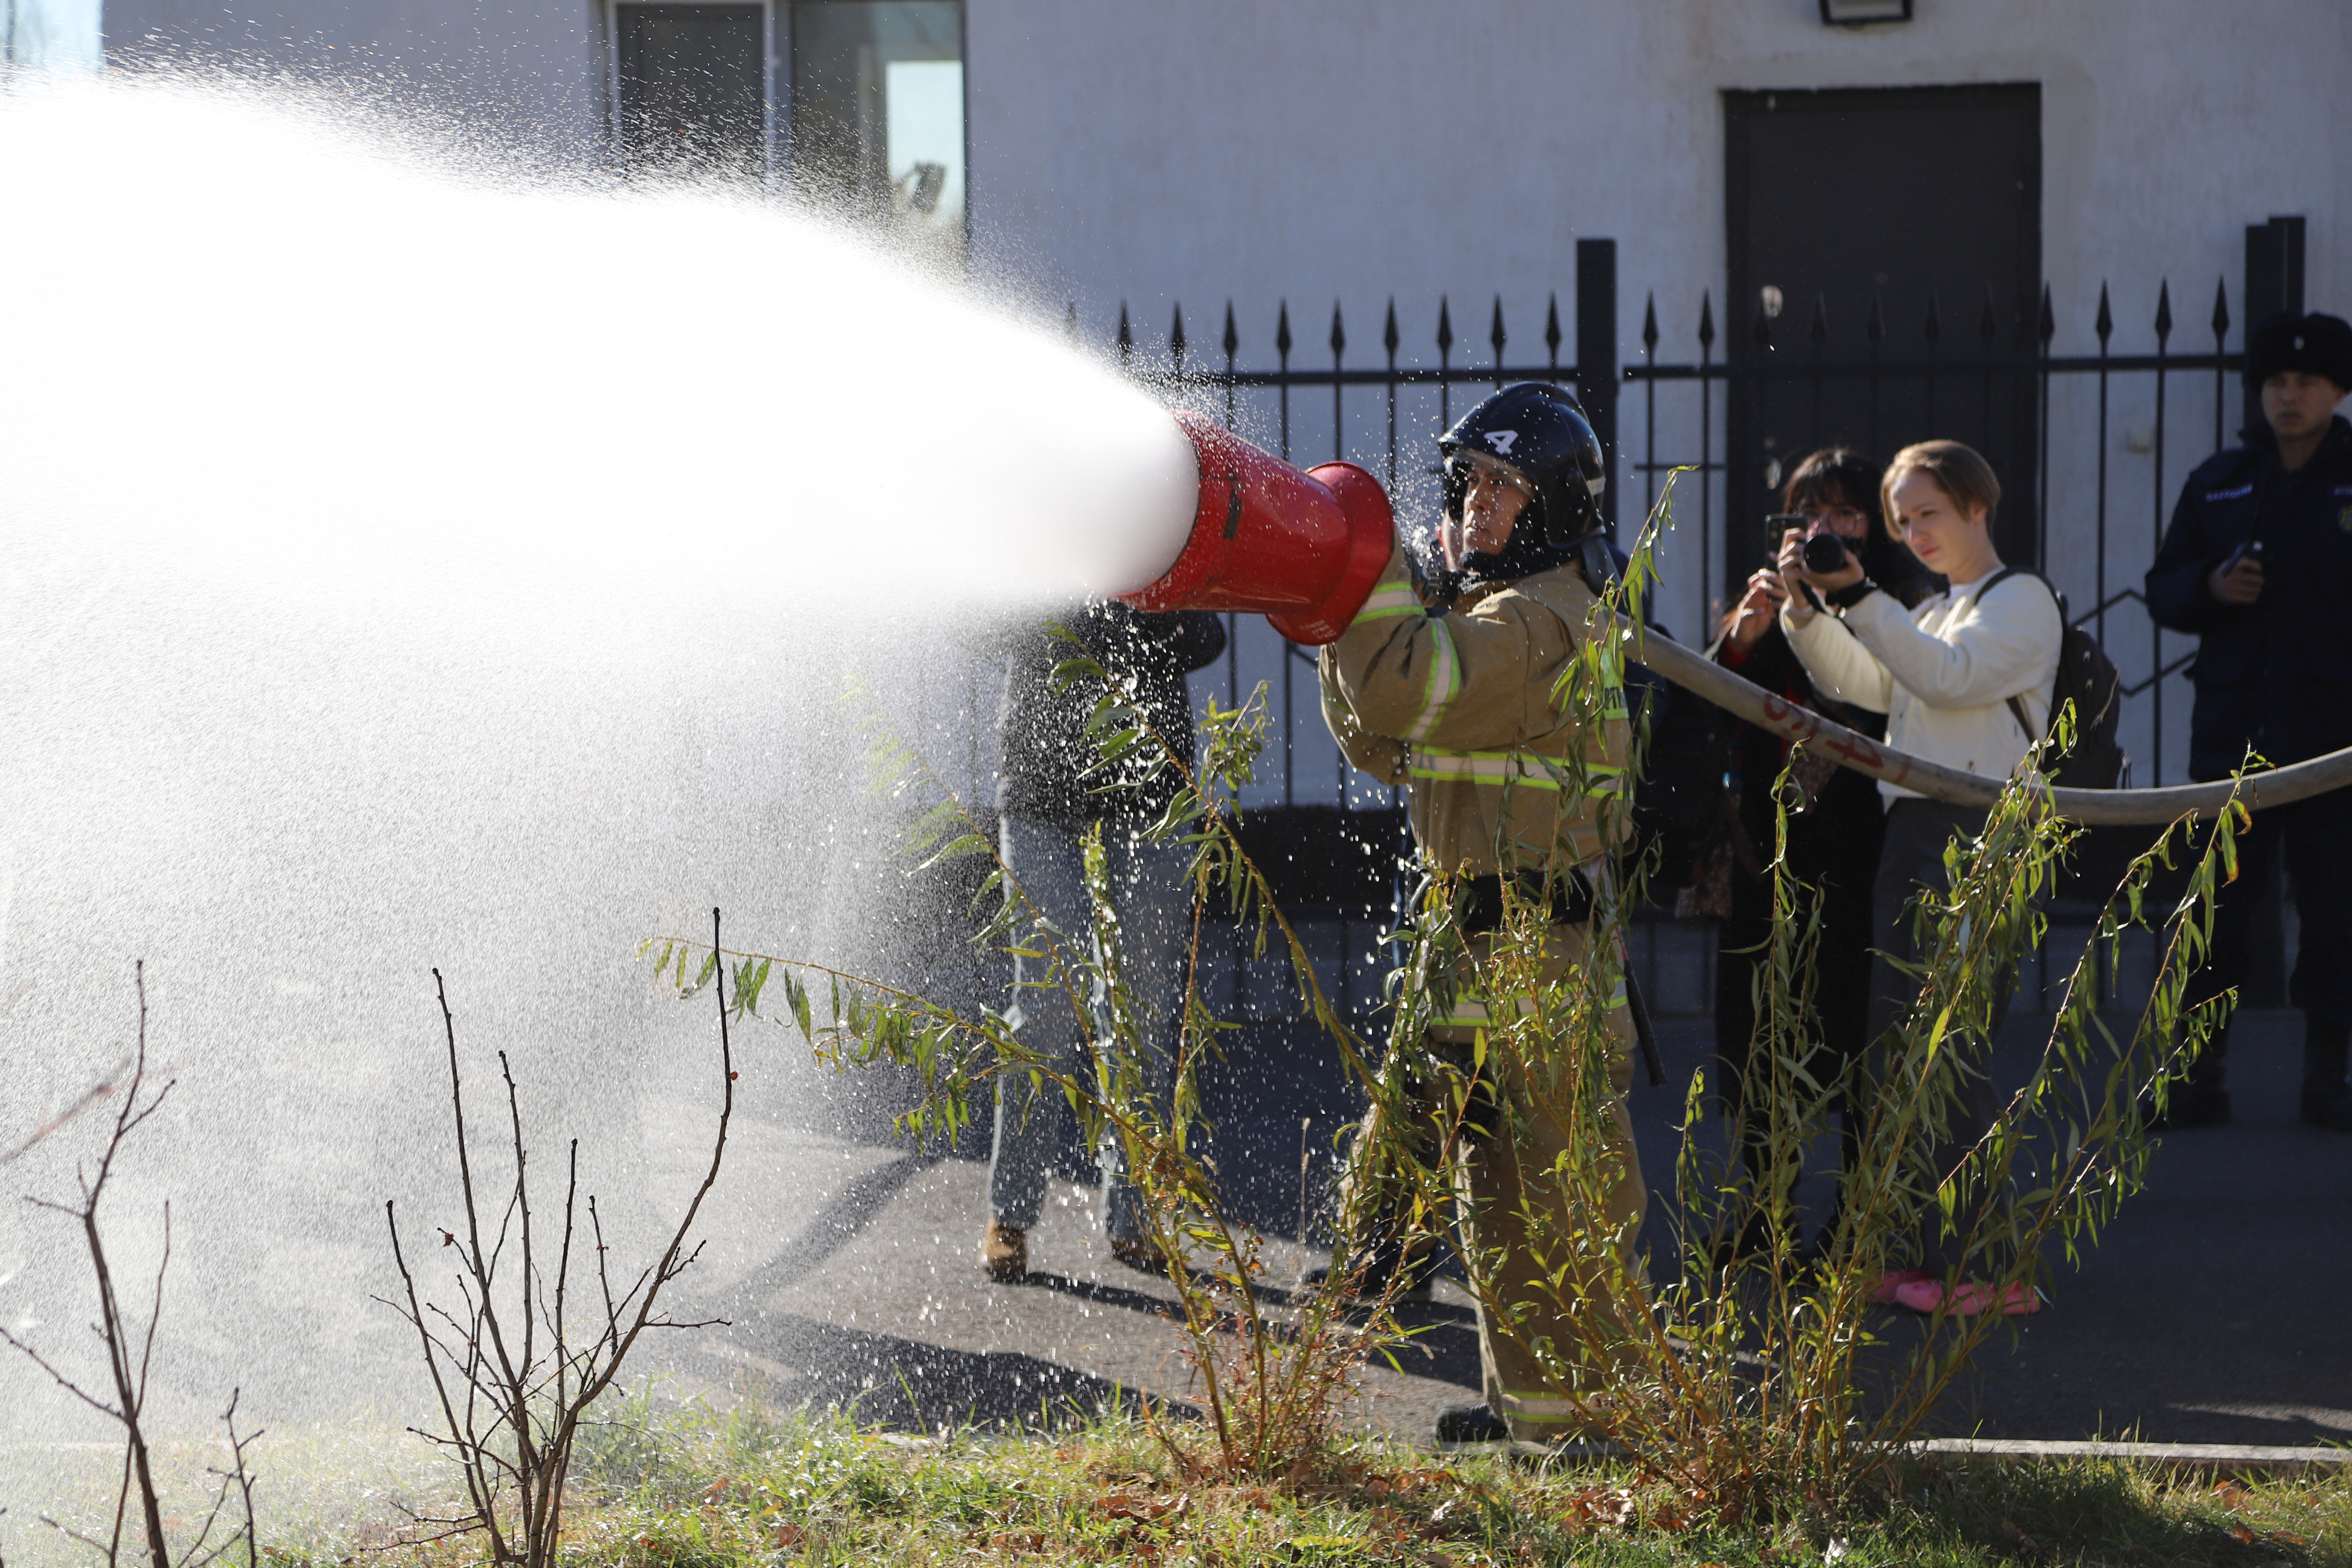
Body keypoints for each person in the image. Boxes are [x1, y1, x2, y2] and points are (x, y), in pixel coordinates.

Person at [1318, 382, 1639, 1446]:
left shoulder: (1543, 620)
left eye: (1505, 485)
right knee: (1492, 1186)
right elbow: (1382, 736)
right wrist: (1346, 617)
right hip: (1481, 937)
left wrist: (1371, 596)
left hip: (1538, 948)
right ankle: (1537, 1416)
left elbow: (1407, 690)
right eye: (1472, 482)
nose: (1479, 503)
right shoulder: (1487, 613)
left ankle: (1600, 1426)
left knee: (1557, 1186)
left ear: (1552, 503)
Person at [1776, 439, 2062, 1317]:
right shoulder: (1938, 607)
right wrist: (1805, 615)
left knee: (1956, 1050)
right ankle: (1914, 1257)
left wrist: (1858, 595)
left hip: (1979, 834)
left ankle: (1986, 1263)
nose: (1912, 532)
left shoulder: (2023, 602)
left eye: (1927, 512)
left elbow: (1949, 679)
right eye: (1902, 519)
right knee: (1898, 1049)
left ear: (1980, 503)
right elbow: (1875, 685)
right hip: (1920, 833)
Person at [1701, 448, 1925, 1260]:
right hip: (1767, 854)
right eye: (1809, 515)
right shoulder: (1766, 601)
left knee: (1858, 1036)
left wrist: (1841, 602)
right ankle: (1764, 1209)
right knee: (1762, 1035)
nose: (1823, 531)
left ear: (1880, 528)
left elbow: (1889, 705)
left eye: (1845, 515)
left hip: (1860, 856)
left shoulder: (1897, 607)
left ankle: (1857, 1219)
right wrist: (1741, 635)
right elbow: (1704, 709)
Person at [2142, 309, 2352, 1133]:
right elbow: (2164, 586)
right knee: (2213, 916)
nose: (2288, 396)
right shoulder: (2219, 480)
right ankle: (2197, 1079)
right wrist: (2209, 587)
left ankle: (2328, 1083)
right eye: (2275, 383)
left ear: (2338, 390)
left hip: (2338, 742)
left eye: (2305, 382)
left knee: (2338, 916)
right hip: (2237, 740)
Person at [981, 599, 1227, 1280]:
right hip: (1039, 787)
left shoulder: (1154, 513)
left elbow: (1208, 633)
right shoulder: (1027, 523)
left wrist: (1144, 617)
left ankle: (1137, 1216)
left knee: (1142, 1004)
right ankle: (1011, 1211)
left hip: (1149, 787)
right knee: (1049, 1001)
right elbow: (974, 618)